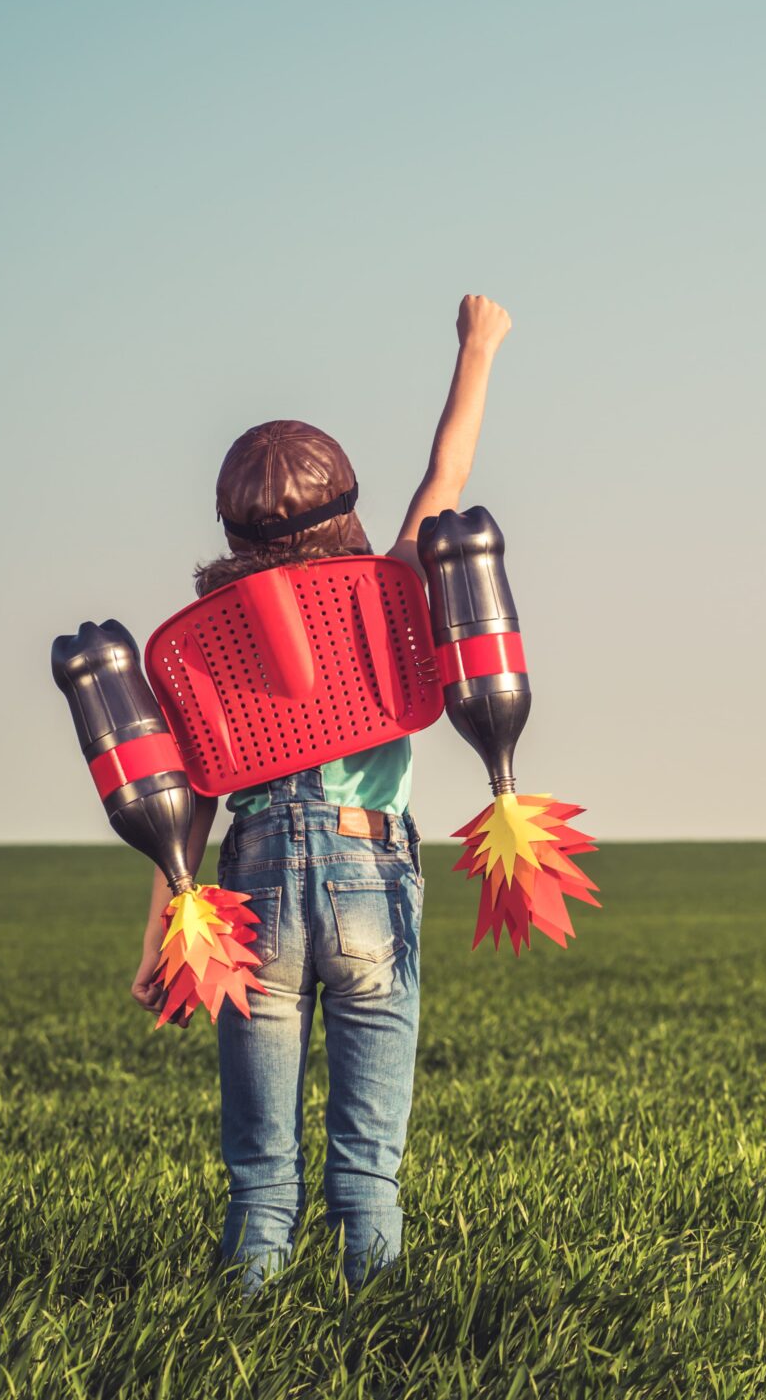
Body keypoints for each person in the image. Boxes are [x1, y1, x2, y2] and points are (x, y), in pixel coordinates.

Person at [125, 293, 514, 1291]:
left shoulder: (207, 636)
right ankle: (374, 1327)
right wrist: (477, 347)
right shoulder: (387, 590)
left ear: (232, 532)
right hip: (369, 866)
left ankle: (239, 1332)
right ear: (343, 511)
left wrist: (167, 915)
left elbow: (189, 787)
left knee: (258, 1173)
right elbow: (449, 474)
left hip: (249, 879)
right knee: (368, 1165)